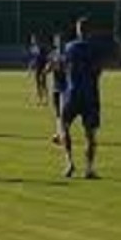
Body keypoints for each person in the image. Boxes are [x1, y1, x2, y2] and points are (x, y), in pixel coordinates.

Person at [59, 17, 102, 179]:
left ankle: (69, 163)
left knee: (64, 127)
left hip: (72, 93)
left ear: (78, 31)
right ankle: (89, 169)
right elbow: (98, 72)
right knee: (90, 135)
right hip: (90, 95)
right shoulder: (94, 48)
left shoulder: (69, 47)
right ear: (90, 32)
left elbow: (63, 67)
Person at [46, 32, 67, 144]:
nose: (58, 43)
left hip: (65, 87)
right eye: (57, 41)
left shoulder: (67, 54)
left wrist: (60, 66)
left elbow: (69, 68)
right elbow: (47, 69)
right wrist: (49, 67)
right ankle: (59, 134)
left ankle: (62, 135)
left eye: (60, 41)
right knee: (58, 113)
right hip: (55, 87)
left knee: (63, 113)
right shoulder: (53, 54)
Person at [28, 33, 49, 105]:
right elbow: (33, 59)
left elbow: (45, 59)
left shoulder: (42, 48)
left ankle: (46, 99)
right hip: (38, 68)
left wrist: (45, 68)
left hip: (42, 67)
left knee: (43, 84)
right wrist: (31, 67)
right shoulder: (33, 48)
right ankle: (40, 99)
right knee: (38, 84)